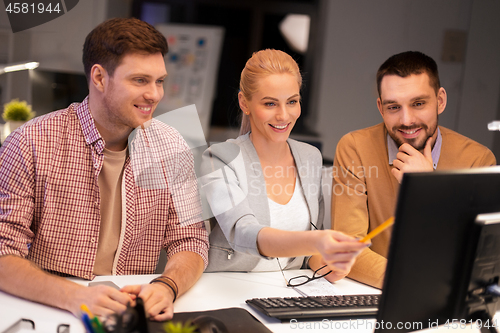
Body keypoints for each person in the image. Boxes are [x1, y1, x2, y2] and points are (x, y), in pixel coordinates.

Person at [0, 18, 209, 321]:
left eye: (159, 80)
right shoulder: (30, 142)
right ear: (99, 77)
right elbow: (4, 251)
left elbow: (190, 239)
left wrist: (167, 286)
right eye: (140, 80)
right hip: (50, 308)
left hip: (133, 313)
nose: (155, 94)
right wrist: (75, 296)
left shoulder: (173, 145)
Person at [332, 51, 496, 289]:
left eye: (418, 104)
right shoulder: (355, 148)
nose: (407, 120)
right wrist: (411, 282)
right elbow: (347, 250)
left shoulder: (478, 160)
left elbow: (475, 261)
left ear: (440, 101)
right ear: (380, 107)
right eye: (393, 107)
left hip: (445, 305)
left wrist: (429, 189)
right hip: (374, 293)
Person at [200, 49, 367, 282]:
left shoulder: (310, 157)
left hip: (287, 292)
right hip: (228, 289)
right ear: (244, 103)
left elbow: (309, 256)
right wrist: (316, 241)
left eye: (292, 102)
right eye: (270, 103)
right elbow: (243, 232)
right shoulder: (219, 158)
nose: (283, 115)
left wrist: (330, 266)